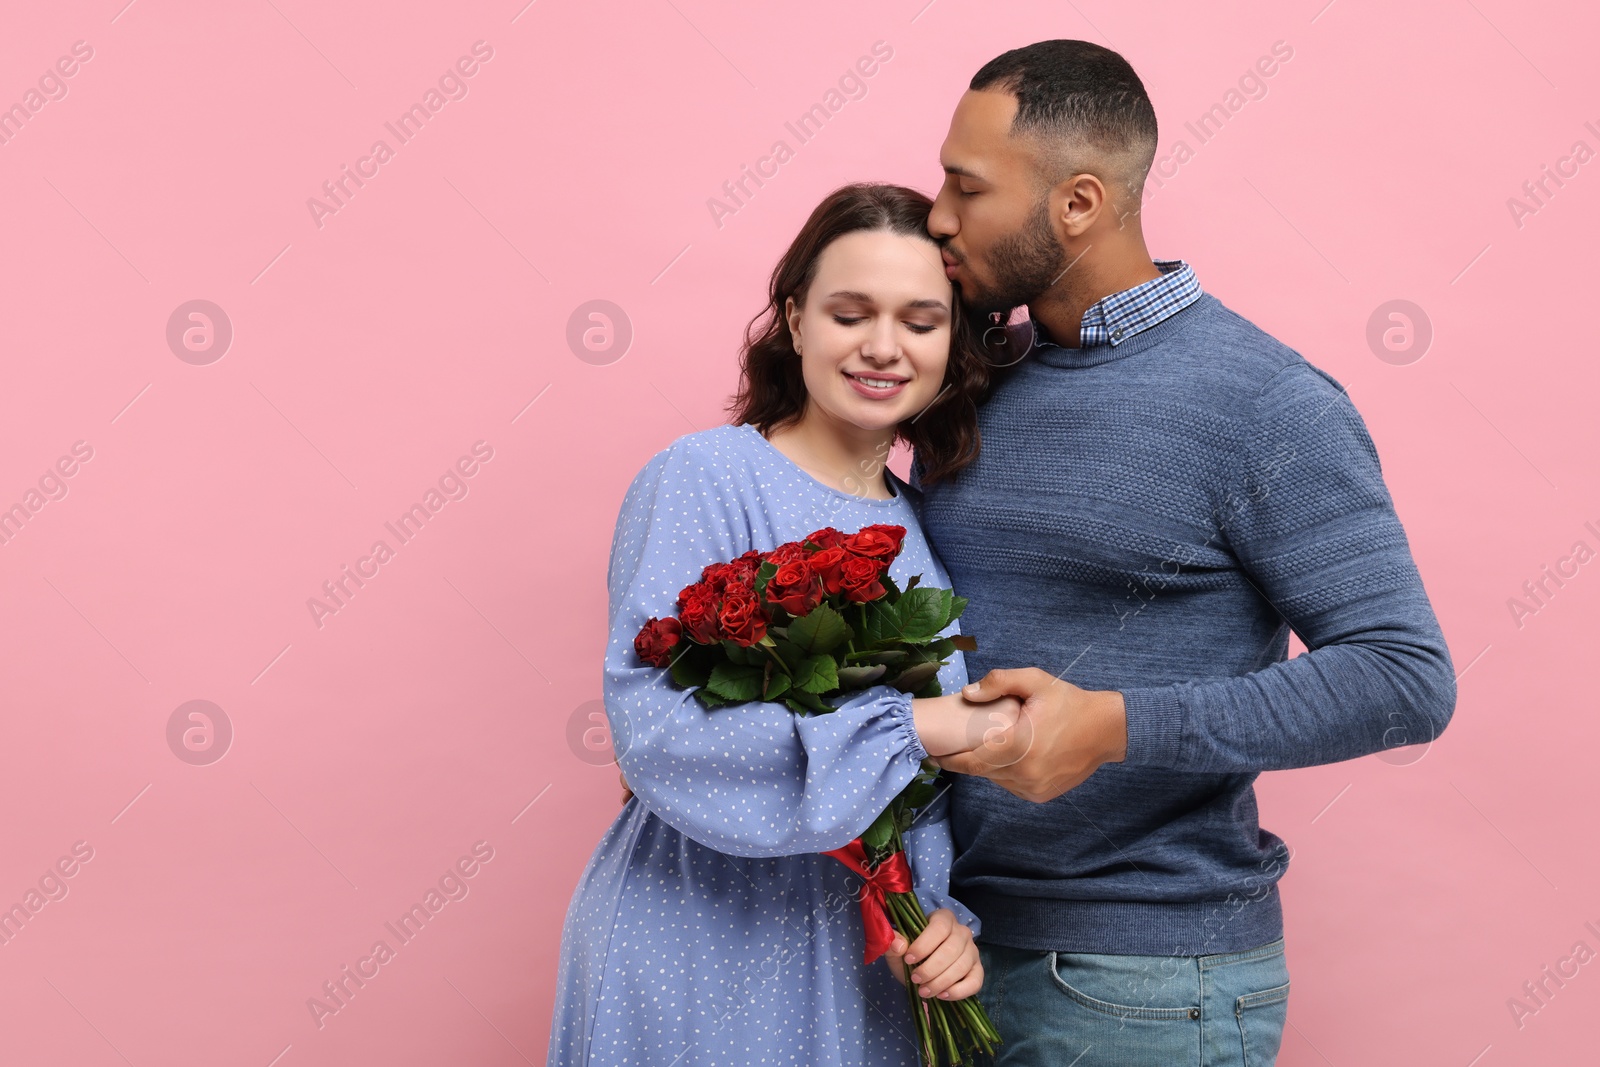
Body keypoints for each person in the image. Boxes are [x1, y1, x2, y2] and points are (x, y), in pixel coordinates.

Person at [914, 40, 1458, 1064]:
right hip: (954, 951)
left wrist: (1112, 725)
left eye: (965, 185)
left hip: (1142, 988)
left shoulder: (1263, 403)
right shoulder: (974, 377)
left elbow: (1405, 675)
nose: (936, 212)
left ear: (1077, 202)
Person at [546, 183, 1021, 1067]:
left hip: (864, 958)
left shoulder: (927, 533)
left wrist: (947, 917)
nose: (883, 346)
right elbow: (653, 733)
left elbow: (923, 798)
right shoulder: (704, 478)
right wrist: (914, 725)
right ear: (796, 319)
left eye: (921, 321)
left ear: (953, 343)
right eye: (851, 313)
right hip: (698, 930)